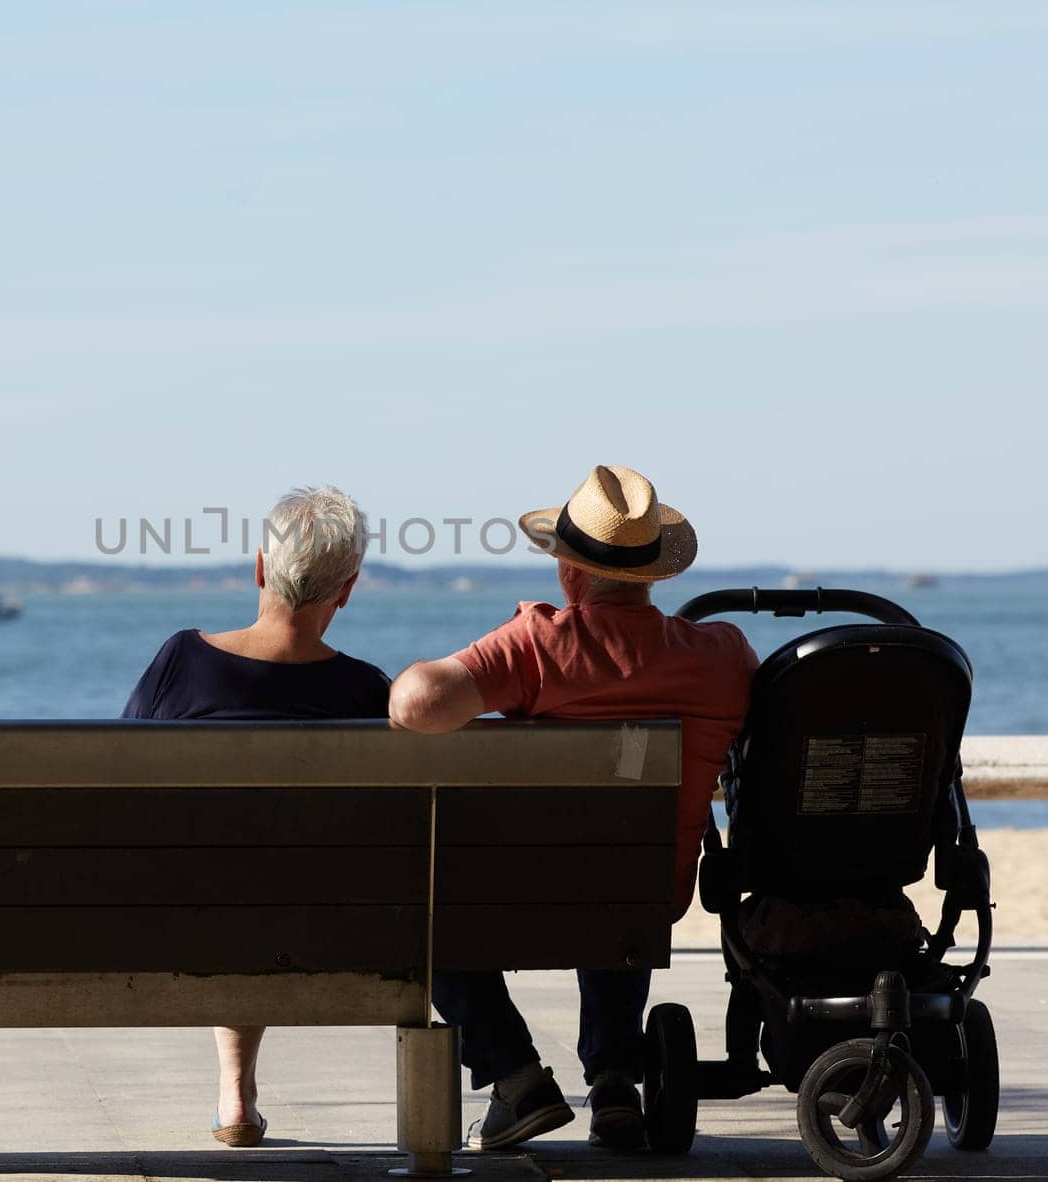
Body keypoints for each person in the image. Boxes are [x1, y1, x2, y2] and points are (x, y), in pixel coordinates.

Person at [388, 464, 758, 1151]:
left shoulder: (539, 645)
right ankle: (615, 1081)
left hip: (518, 904)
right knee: (622, 869)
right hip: (647, 898)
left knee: (426, 914)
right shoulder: (724, 654)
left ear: (567, 572)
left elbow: (415, 703)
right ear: (654, 574)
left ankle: (515, 1075)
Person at [121, 484, 389, 1147]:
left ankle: (234, 1093)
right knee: (266, 875)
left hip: (182, 919)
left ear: (261, 568)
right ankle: (236, 1092)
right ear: (347, 590)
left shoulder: (181, 662)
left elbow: (119, 789)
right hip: (339, 925)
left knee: (228, 875)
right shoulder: (365, 691)